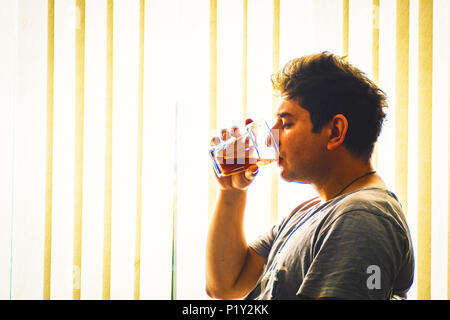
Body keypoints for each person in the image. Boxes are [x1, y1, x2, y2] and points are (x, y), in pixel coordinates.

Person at [206, 52, 414, 300]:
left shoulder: (361, 215)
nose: (272, 136)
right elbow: (226, 284)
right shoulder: (310, 212)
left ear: (335, 131)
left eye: (286, 123)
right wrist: (232, 191)